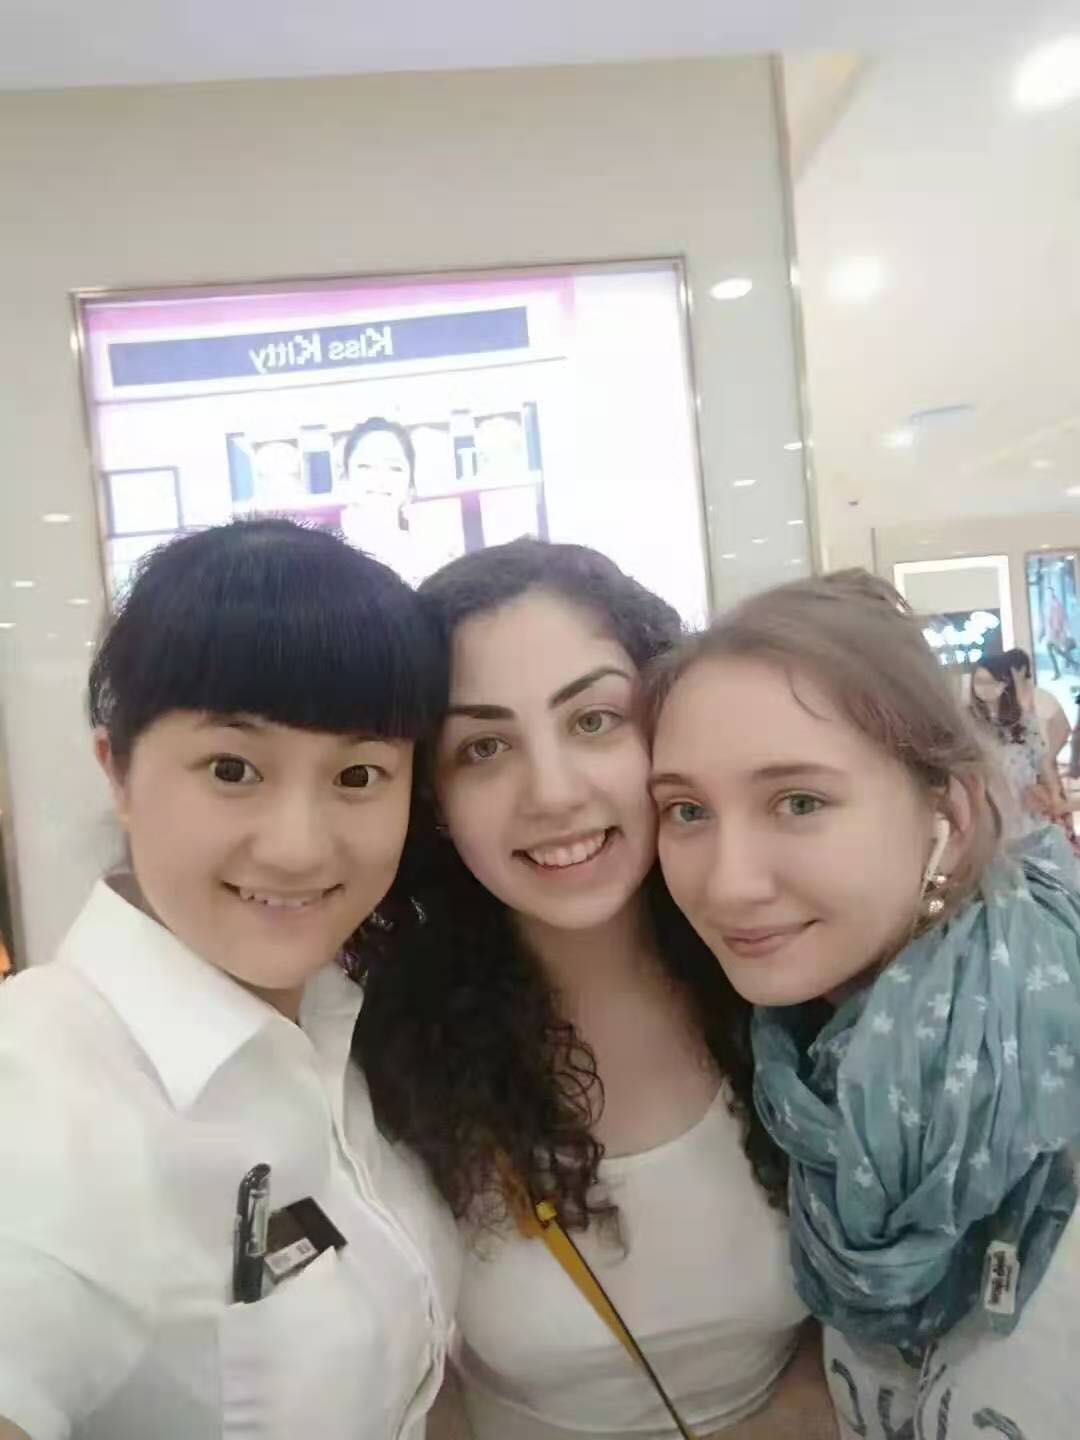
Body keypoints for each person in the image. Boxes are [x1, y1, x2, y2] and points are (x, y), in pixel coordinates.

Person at [353, 538, 835, 1440]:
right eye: (484, 746)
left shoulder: (793, 983)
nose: (553, 792)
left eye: (594, 720)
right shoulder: (382, 1056)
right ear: (434, 802)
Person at [0, 519, 461, 1440]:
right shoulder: (40, 1088)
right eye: (232, 768)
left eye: (359, 774)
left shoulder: (344, 1020)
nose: (297, 847)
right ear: (117, 770)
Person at [646, 569, 1080, 1440]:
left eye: (799, 801)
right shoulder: (814, 1079)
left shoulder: (1046, 1056)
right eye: (687, 810)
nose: (727, 884)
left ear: (947, 814)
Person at [970, 651, 1073, 846]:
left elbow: (1042, 760)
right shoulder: (967, 722)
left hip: (1026, 807)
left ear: (1004, 684)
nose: (984, 688)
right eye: (979, 682)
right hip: (989, 810)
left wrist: (1053, 794)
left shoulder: (1024, 720)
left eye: (991, 681)